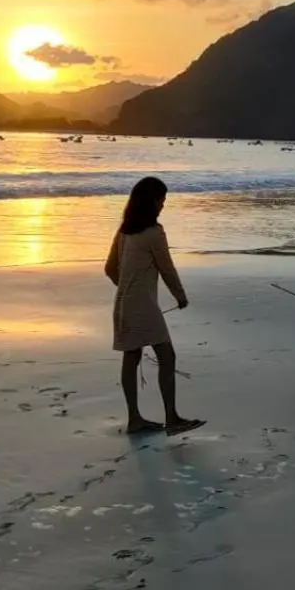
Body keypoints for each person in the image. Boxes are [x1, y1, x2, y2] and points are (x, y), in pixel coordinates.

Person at [104, 176, 203, 436]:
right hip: (143, 307)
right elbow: (166, 268)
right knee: (167, 356)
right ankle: (171, 418)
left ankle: (135, 419)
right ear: (151, 201)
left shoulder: (124, 231)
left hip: (123, 303)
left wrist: (127, 286)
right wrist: (180, 296)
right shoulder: (154, 233)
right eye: (161, 200)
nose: (163, 205)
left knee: (132, 357)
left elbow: (109, 269)